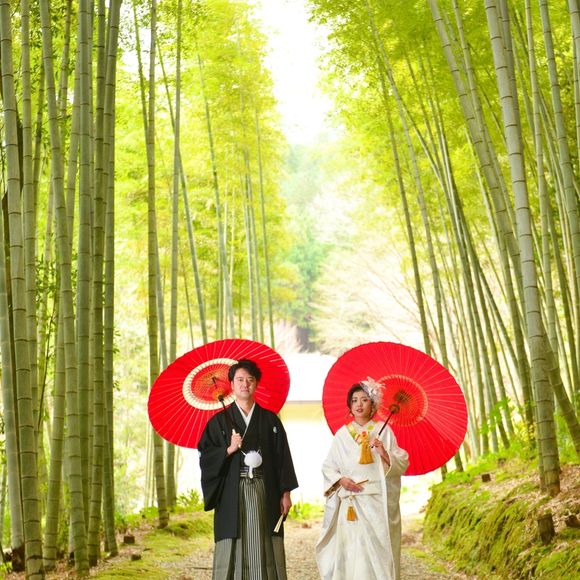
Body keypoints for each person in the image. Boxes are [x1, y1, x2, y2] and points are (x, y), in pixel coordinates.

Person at [198, 358, 298, 580]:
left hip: (264, 489)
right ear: (231, 385)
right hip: (231, 491)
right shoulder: (218, 422)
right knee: (233, 542)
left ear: (256, 383)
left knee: (263, 539)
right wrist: (229, 449)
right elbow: (206, 457)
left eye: (250, 380)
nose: (245, 384)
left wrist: (286, 493)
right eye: (240, 379)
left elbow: (282, 457)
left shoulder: (270, 420)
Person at [316, 381, 409, 580]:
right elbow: (329, 466)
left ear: (373, 404)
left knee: (378, 553)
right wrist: (341, 480)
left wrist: (384, 453)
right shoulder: (342, 435)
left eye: (364, 400)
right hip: (351, 502)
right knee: (351, 552)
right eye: (354, 400)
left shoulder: (384, 431)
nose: (359, 404)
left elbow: (402, 461)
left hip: (376, 502)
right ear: (349, 406)